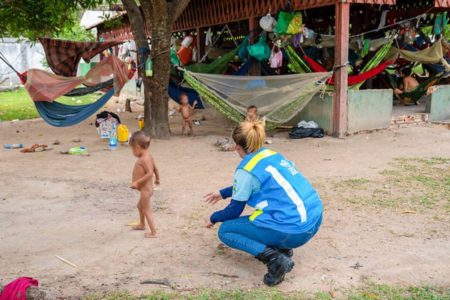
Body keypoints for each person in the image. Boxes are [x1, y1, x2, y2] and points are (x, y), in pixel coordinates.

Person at [204, 121, 323, 286]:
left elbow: (233, 212)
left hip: (293, 231)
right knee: (270, 215)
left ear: (237, 146)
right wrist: (223, 193)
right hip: (314, 220)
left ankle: (275, 259)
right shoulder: (271, 154)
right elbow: (252, 184)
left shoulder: (246, 169)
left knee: (225, 231)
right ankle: (282, 248)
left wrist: (213, 217)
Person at [129, 131, 160, 238]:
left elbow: (149, 173)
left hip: (145, 190)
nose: (133, 152)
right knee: (139, 206)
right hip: (146, 189)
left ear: (137, 147)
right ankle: (142, 224)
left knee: (146, 210)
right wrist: (158, 178)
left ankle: (154, 232)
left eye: (133, 149)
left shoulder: (144, 159)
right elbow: (155, 168)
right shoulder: (149, 157)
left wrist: (137, 182)